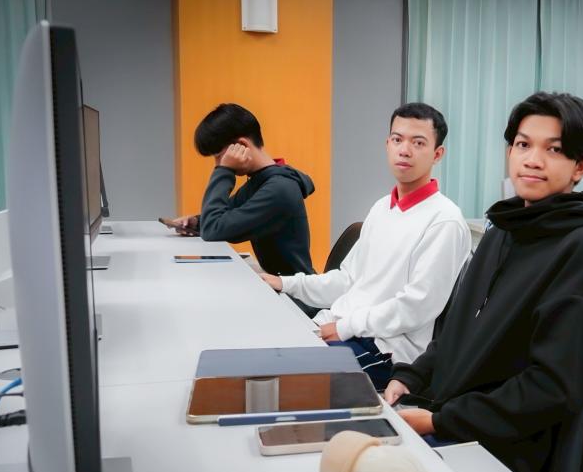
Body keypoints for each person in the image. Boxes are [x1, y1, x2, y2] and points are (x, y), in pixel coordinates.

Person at [383, 92, 583, 472]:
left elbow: (551, 388)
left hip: (500, 448)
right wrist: (411, 377)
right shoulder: (504, 229)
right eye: (523, 145)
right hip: (451, 417)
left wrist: (438, 421)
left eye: (554, 149)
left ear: (581, 166)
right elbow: (456, 333)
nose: (532, 160)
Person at [264, 103, 470, 388]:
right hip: (345, 328)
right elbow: (348, 280)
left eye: (418, 143)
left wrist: (344, 327)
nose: (405, 150)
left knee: (287, 379)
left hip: (386, 350)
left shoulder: (445, 220)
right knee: (264, 352)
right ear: (387, 144)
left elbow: (416, 307)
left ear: (437, 154)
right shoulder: (381, 208)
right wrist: (286, 283)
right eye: (397, 139)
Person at [165, 103, 316, 279]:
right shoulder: (261, 181)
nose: (218, 164)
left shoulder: (279, 189)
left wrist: (224, 171)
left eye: (219, 156)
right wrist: (196, 222)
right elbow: (224, 216)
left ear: (242, 145)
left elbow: (213, 231)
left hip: (291, 291)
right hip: (275, 281)